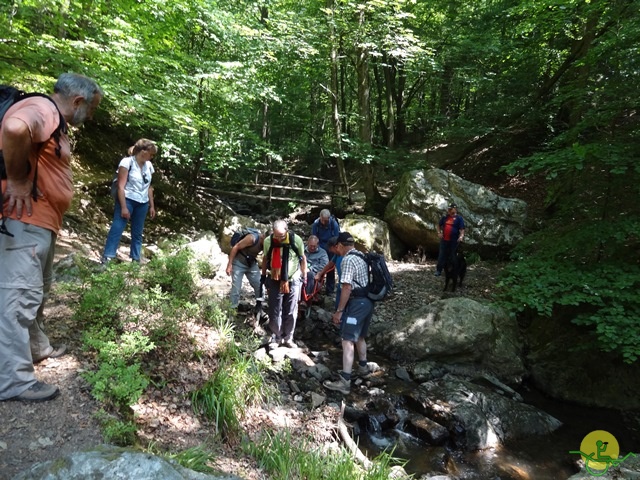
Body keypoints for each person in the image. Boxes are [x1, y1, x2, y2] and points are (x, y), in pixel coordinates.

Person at [0, 73, 103, 402]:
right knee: (18, 298)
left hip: (40, 225)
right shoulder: (43, 109)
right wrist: (16, 181)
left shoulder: (54, 121)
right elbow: (14, 128)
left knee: (37, 290)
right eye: (93, 108)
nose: (93, 115)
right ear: (78, 101)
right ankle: (14, 380)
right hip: (23, 222)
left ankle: (36, 348)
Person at [323, 232, 374, 395]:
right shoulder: (361, 255)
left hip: (356, 304)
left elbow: (346, 287)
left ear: (339, 245)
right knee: (360, 336)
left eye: (336, 247)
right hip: (367, 302)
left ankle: (345, 381)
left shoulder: (347, 260)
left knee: (347, 340)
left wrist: (339, 311)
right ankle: (363, 367)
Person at [102, 139, 156, 264]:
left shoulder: (149, 166)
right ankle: (108, 256)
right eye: (151, 154)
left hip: (142, 203)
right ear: (143, 151)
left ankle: (135, 260)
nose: (152, 157)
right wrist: (124, 207)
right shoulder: (127, 162)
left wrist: (151, 206)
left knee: (137, 233)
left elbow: (149, 187)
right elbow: (121, 186)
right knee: (117, 227)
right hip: (127, 200)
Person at [261, 220, 307, 348]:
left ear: (287, 230)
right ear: (273, 232)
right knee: (275, 310)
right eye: (276, 236)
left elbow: (302, 258)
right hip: (274, 280)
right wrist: (263, 276)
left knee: (291, 310)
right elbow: (265, 259)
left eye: (281, 236)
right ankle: (277, 336)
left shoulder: (295, 240)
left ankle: (288, 338)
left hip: (293, 279)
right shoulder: (268, 241)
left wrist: (304, 276)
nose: (279, 239)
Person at [226, 229, 266, 310]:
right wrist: (229, 265)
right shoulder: (252, 238)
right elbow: (236, 247)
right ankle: (232, 311)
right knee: (236, 289)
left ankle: (259, 308)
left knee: (259, 285)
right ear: (263, 237)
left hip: (251, 264)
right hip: (238, 263)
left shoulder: (267, 244)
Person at [311, 209, 340, 294]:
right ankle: (316, 288)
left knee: (330, 268)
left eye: (326, 220)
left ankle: (329, 290)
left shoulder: (333, 224)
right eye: (323, 220)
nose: (324, 222)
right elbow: (314, 237)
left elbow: (336, 238)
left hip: (331, 248)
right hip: (320, 247)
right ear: (320, 217)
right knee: (318, 267)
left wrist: (334, 249)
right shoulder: (316, 224)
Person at [435, 203, 465, 277]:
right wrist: (439, 233)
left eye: (451, 209)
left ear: (455, 209)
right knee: (442, 255)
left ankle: (453, 270)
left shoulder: (459, 218)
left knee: (452, 256)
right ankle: (439, 270)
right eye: (448, 209)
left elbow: (462, 229)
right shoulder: (445, 217)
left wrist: (461, 236)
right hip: (444, 240)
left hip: (454, 241)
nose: (449, 210)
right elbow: (438, 225)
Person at [315, 236, 342, 308]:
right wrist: (320, 273)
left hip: (348, 287)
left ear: (336, 246)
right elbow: (330, 264)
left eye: (330, 248)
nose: (329, 251)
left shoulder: (346, 257)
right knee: (338, 304)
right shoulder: (337, 255)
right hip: (341, 284)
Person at [302, 234, 329, 300]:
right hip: (301, 270)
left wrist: (310, 269)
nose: (312, 248)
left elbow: (325, 264)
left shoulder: (322, 253)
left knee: (310, 274)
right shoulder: (302, 250)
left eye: (314, 246)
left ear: (317, 245)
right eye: (311, 246)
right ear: (307, 243)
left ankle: (307, 297)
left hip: (314, 273)